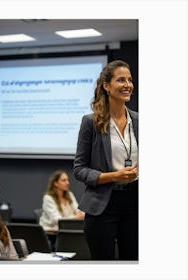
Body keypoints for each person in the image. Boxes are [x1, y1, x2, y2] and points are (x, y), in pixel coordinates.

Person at [74, 60, 138, 260]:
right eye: (121, 80)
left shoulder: (139, 120)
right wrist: (114, 176)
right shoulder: (91, 122)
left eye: (130, 79)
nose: (127, 84)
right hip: (102, 206)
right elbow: (79, 169)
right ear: (107, 86)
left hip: (136, 203)